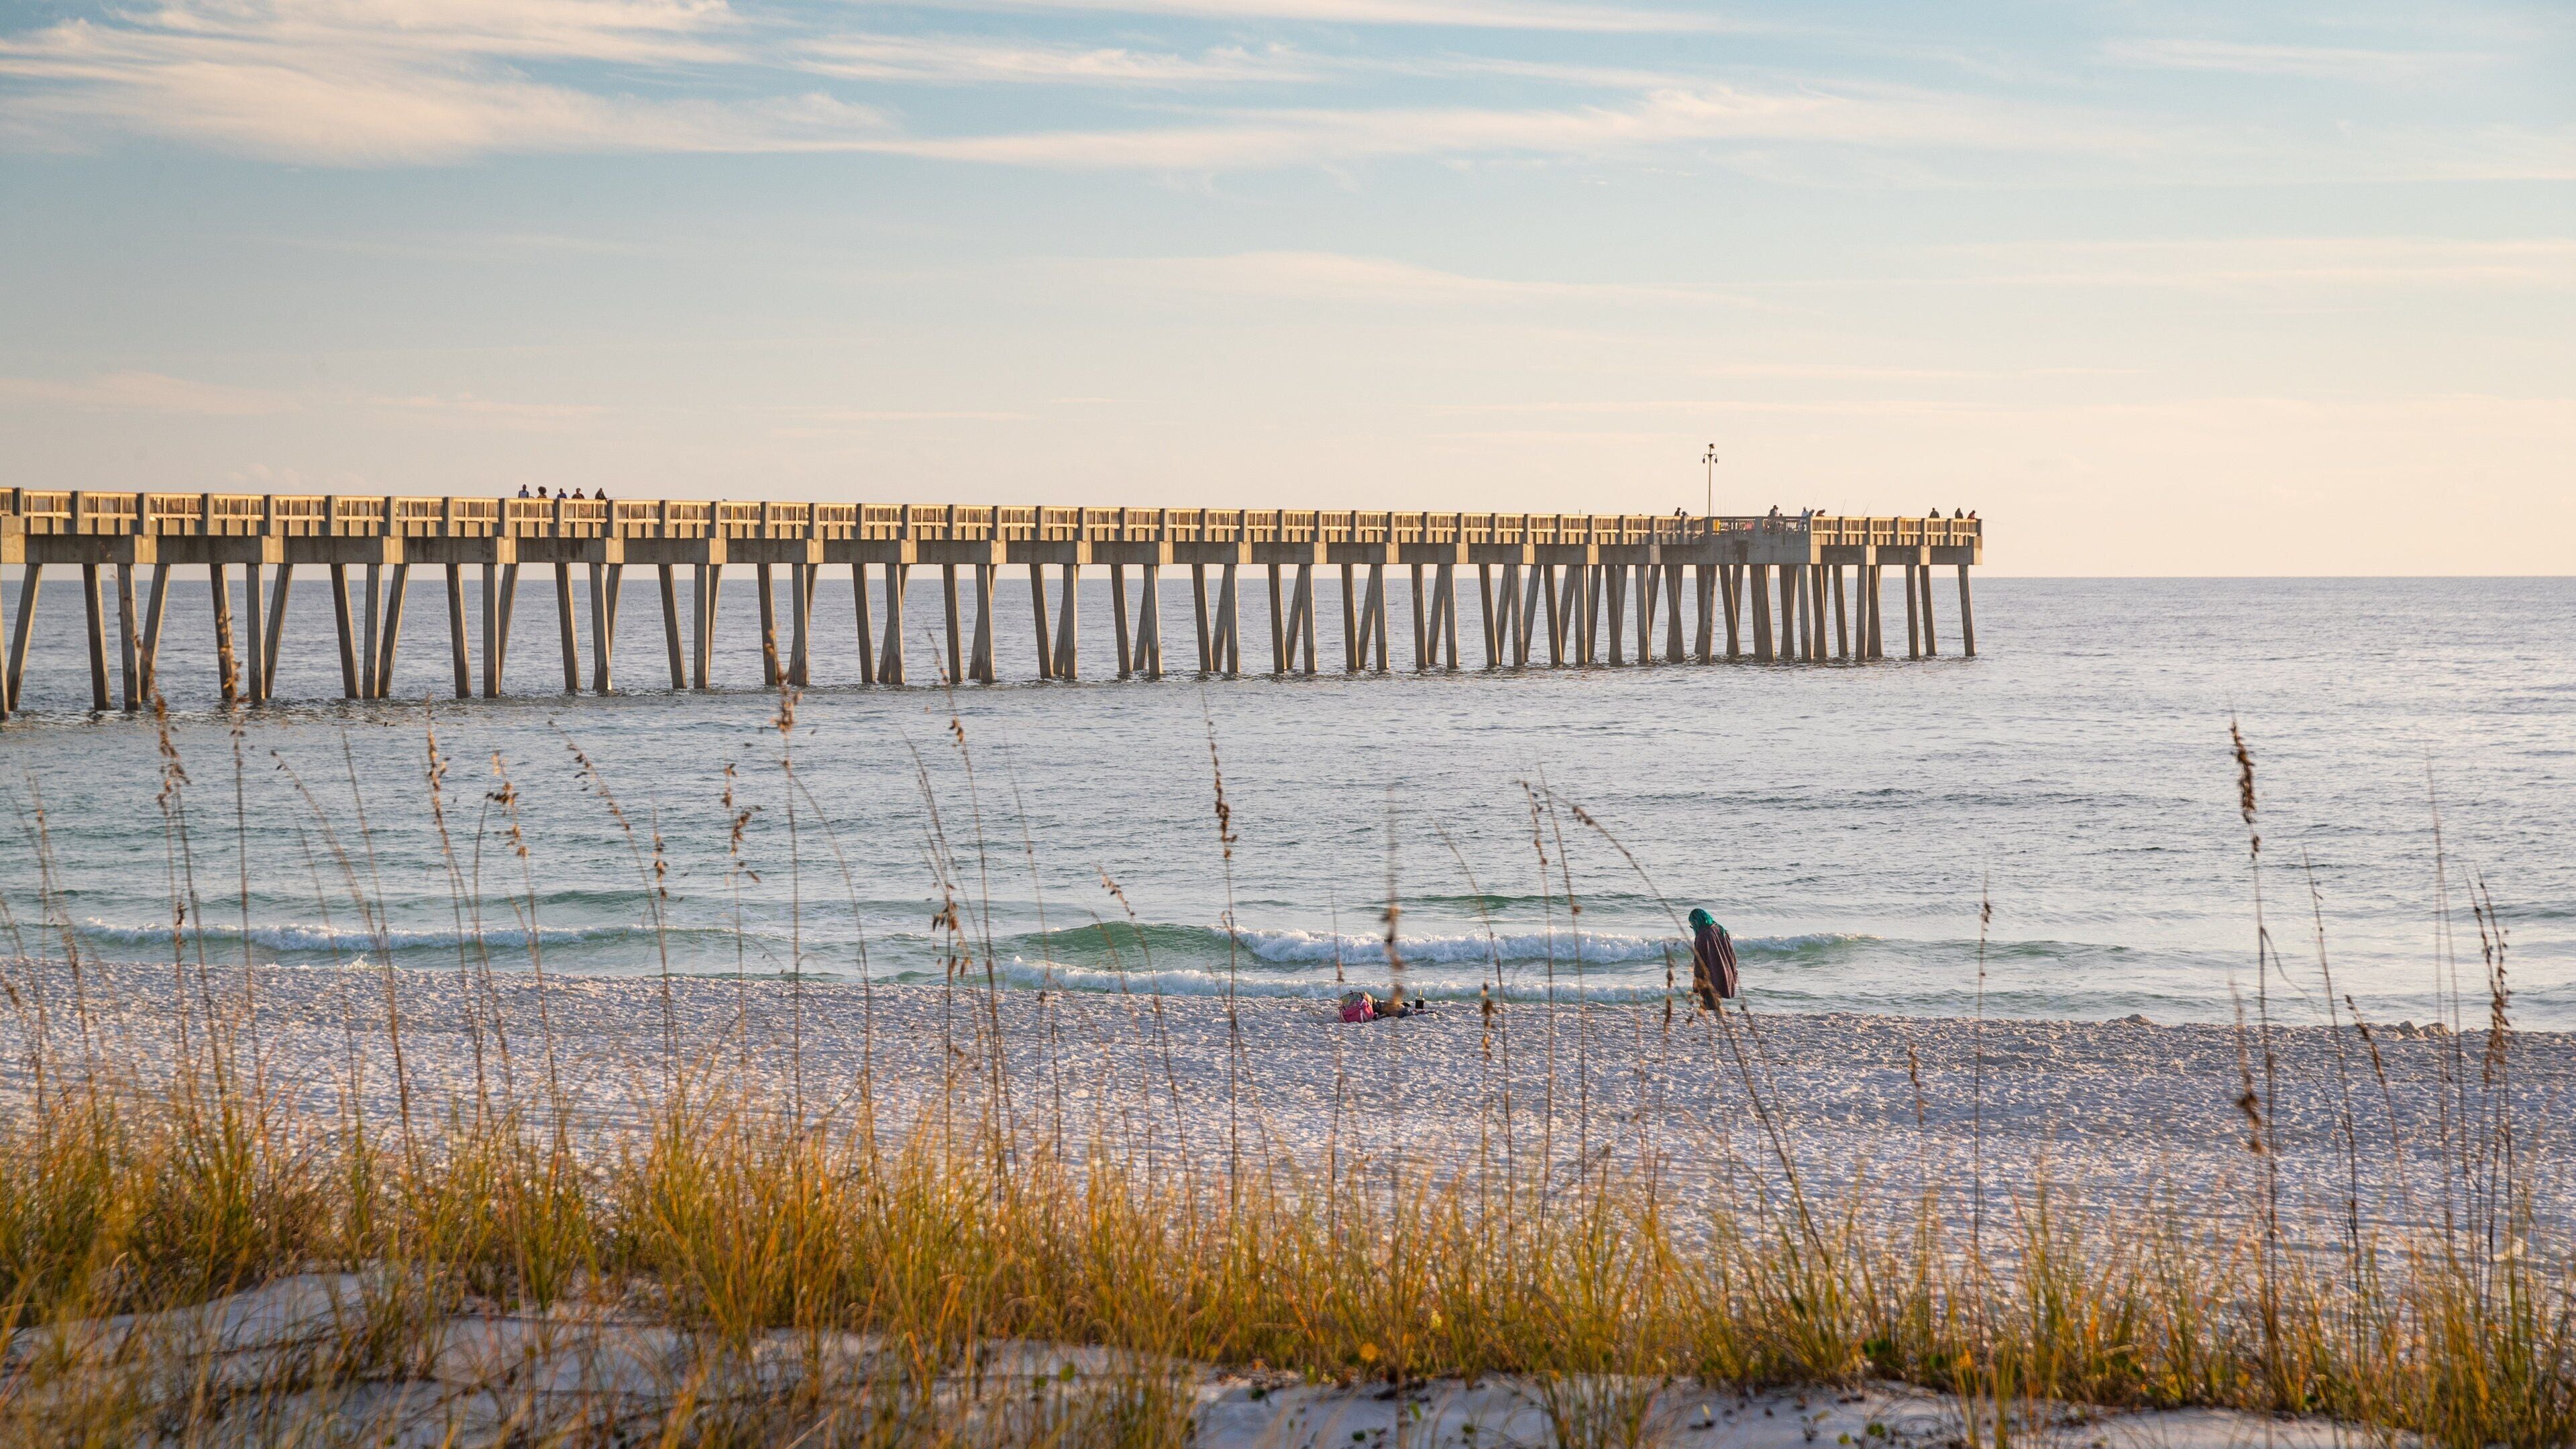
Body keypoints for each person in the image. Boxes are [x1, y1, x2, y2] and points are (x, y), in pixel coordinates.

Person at [1687, 908, 1737, 1011]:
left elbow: (1699, 964)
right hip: (1725, 974)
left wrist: (1696, 987)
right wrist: (1734, 973)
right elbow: (1732, 955)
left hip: (1711, 979)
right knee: (1716, 1007)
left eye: (1692, 925)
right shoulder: (1721, 930)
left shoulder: (1702, 937)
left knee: (1710, 1009)